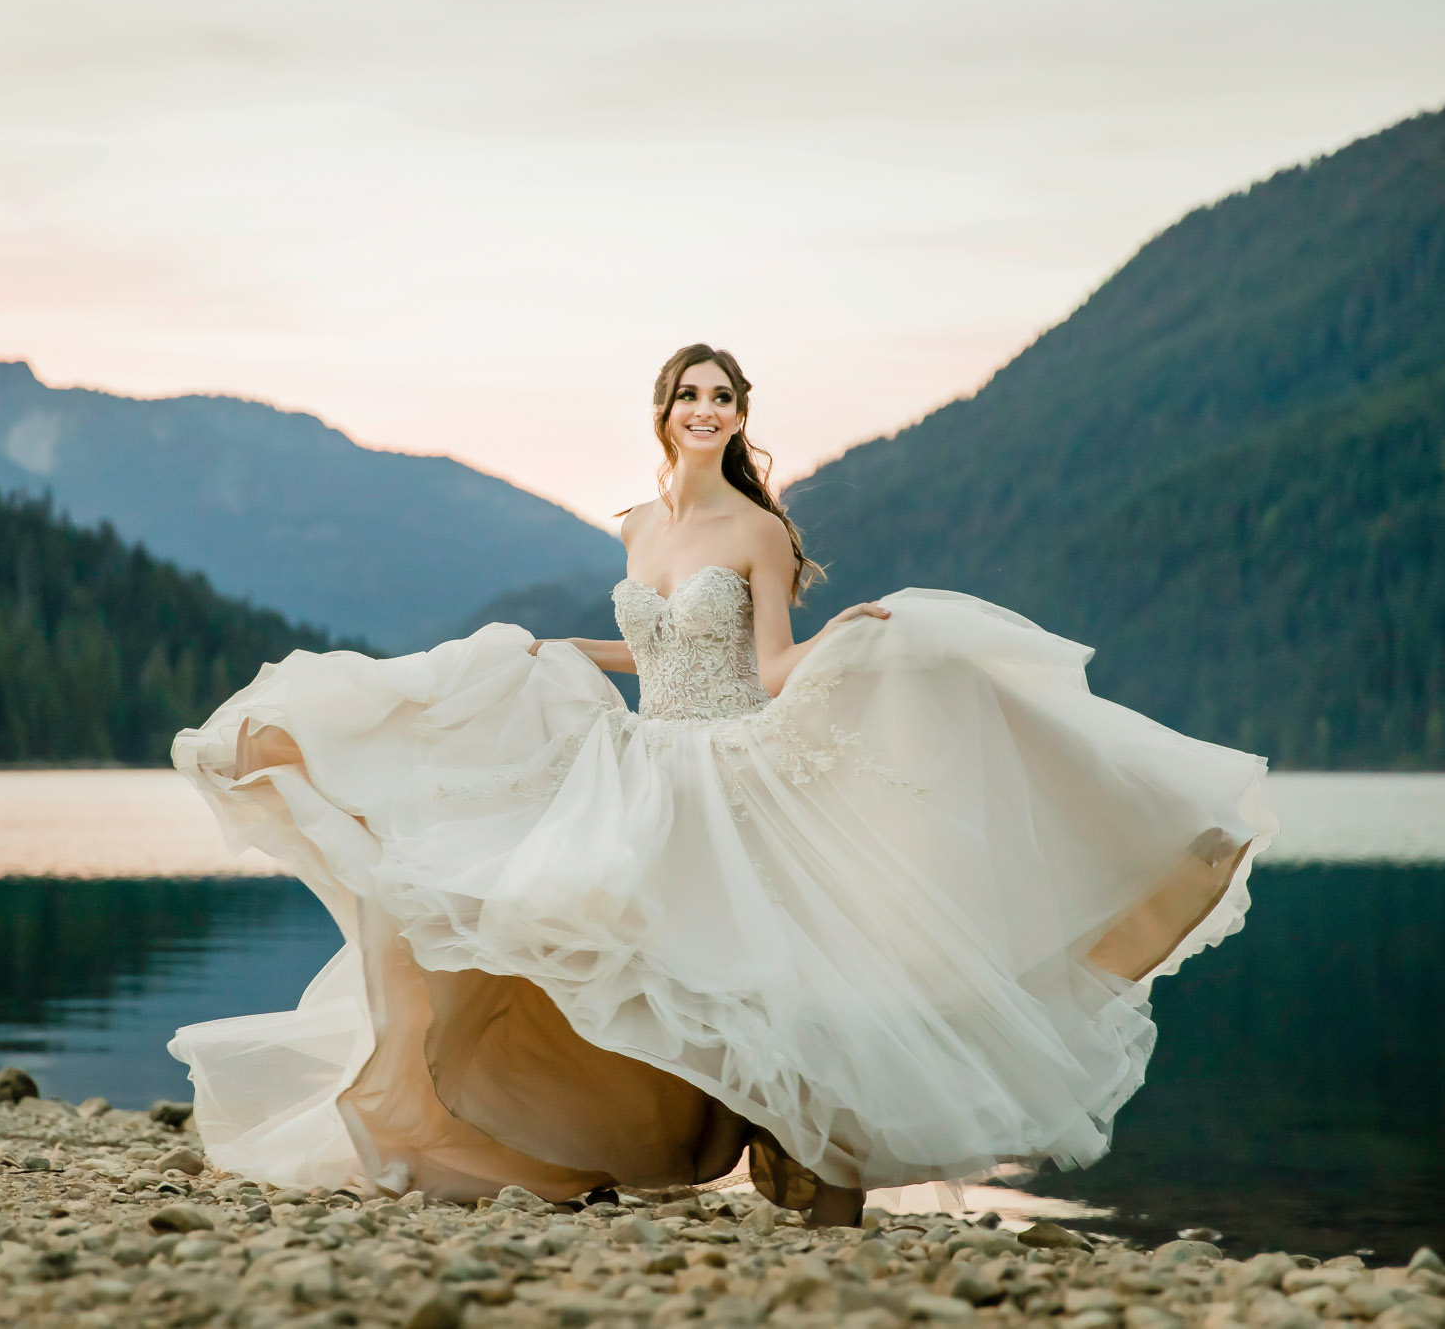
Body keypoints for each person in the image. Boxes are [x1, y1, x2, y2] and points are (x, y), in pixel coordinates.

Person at [169, 343, 1276, 1228]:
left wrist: (845, 635)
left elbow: (770, 667)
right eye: (688, 394)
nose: (705, 409)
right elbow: (649, 650)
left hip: (729, 762)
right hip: (644, 756)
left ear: (740, 417)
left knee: (764, 971)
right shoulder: (638, 527)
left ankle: (817, 1157)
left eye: (722, 396)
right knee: (570, 931)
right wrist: (547, 650)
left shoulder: (757, 530)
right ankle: (568, 1136)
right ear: (662, 412)